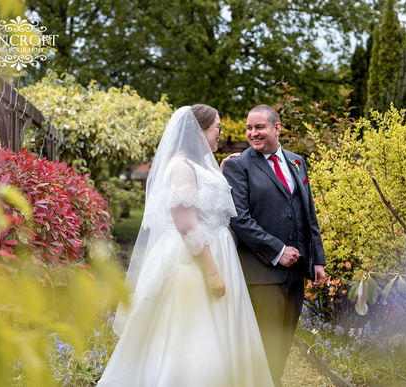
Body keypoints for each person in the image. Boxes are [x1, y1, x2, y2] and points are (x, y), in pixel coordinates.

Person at [98, 105, 273, 386]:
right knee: (194, 334)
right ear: (199, 131)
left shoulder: (198, 164)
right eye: (217, 127)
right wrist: (212, 273)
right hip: (194, 262)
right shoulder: (181, 167)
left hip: (214, 252)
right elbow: (187, 225)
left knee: (218, 333)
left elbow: (205, 200)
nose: (220, 133)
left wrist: (222, 168)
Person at [222, 104, 327, 387]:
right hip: (262, 273)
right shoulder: (238, 165)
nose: (252, 134)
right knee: (266, 347)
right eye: (249, 128)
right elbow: (239, 219)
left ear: (277, 128)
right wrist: (278, 251)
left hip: (297, 271)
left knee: (283, 343)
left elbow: (308, 213)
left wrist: (317, 259)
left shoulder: (296, 161)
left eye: (259, 127)